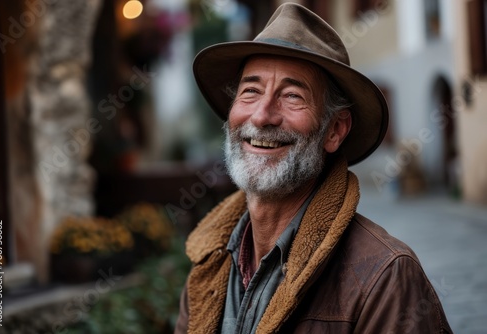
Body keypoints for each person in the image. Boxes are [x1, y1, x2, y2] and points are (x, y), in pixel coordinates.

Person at [175, 3, 452, 333]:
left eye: (292, 96)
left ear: (334, 130)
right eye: (250, 91)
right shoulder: (210, 261)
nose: (262, 116)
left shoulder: (384, 277)